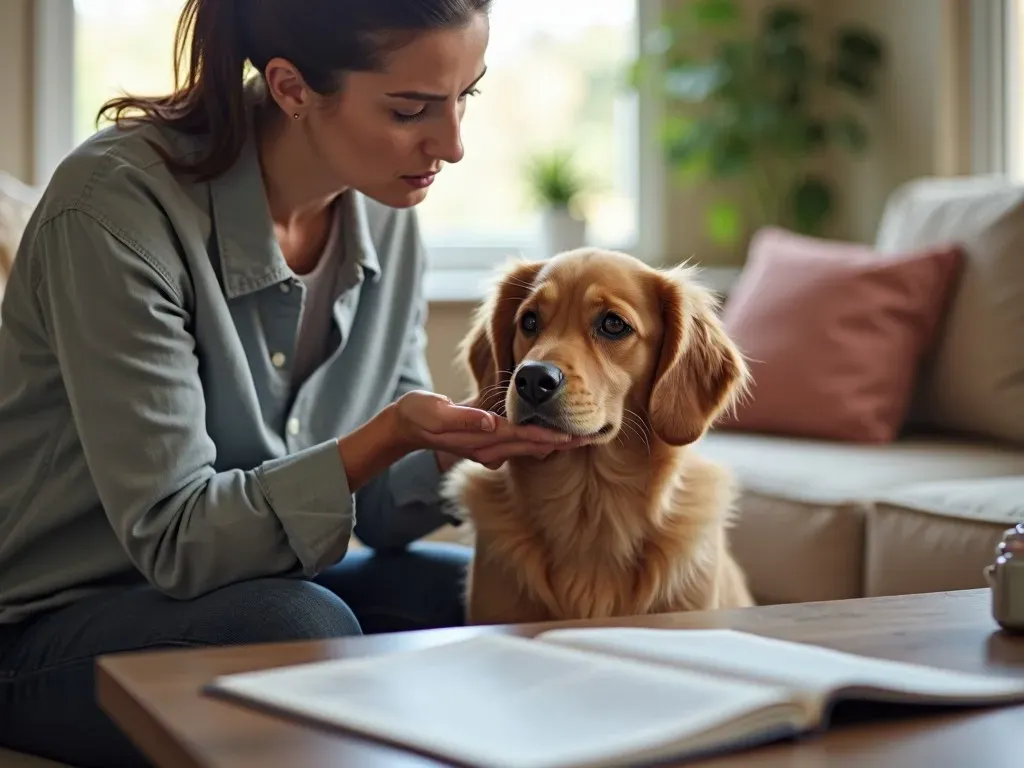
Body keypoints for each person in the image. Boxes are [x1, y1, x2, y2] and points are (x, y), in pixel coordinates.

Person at [0, 1, 579, 765]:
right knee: (301, 630)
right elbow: (178, 541)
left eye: (464, 96)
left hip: (263, 584)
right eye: (411, 109)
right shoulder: (115, 209)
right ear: (293, 87)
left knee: (502, 596)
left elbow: (380, 517)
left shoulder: (389, 204)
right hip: (52, 625)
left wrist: (452, 443)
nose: (453, 144)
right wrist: (384, 436)